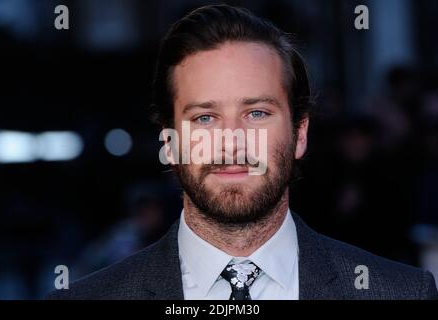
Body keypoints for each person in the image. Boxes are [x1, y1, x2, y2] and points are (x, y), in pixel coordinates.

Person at [47, 4, 438, 300]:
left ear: (300, 134)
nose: (232, 141)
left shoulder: (400, 292)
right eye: (205, 118)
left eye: (256, 113)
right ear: (169, 143)